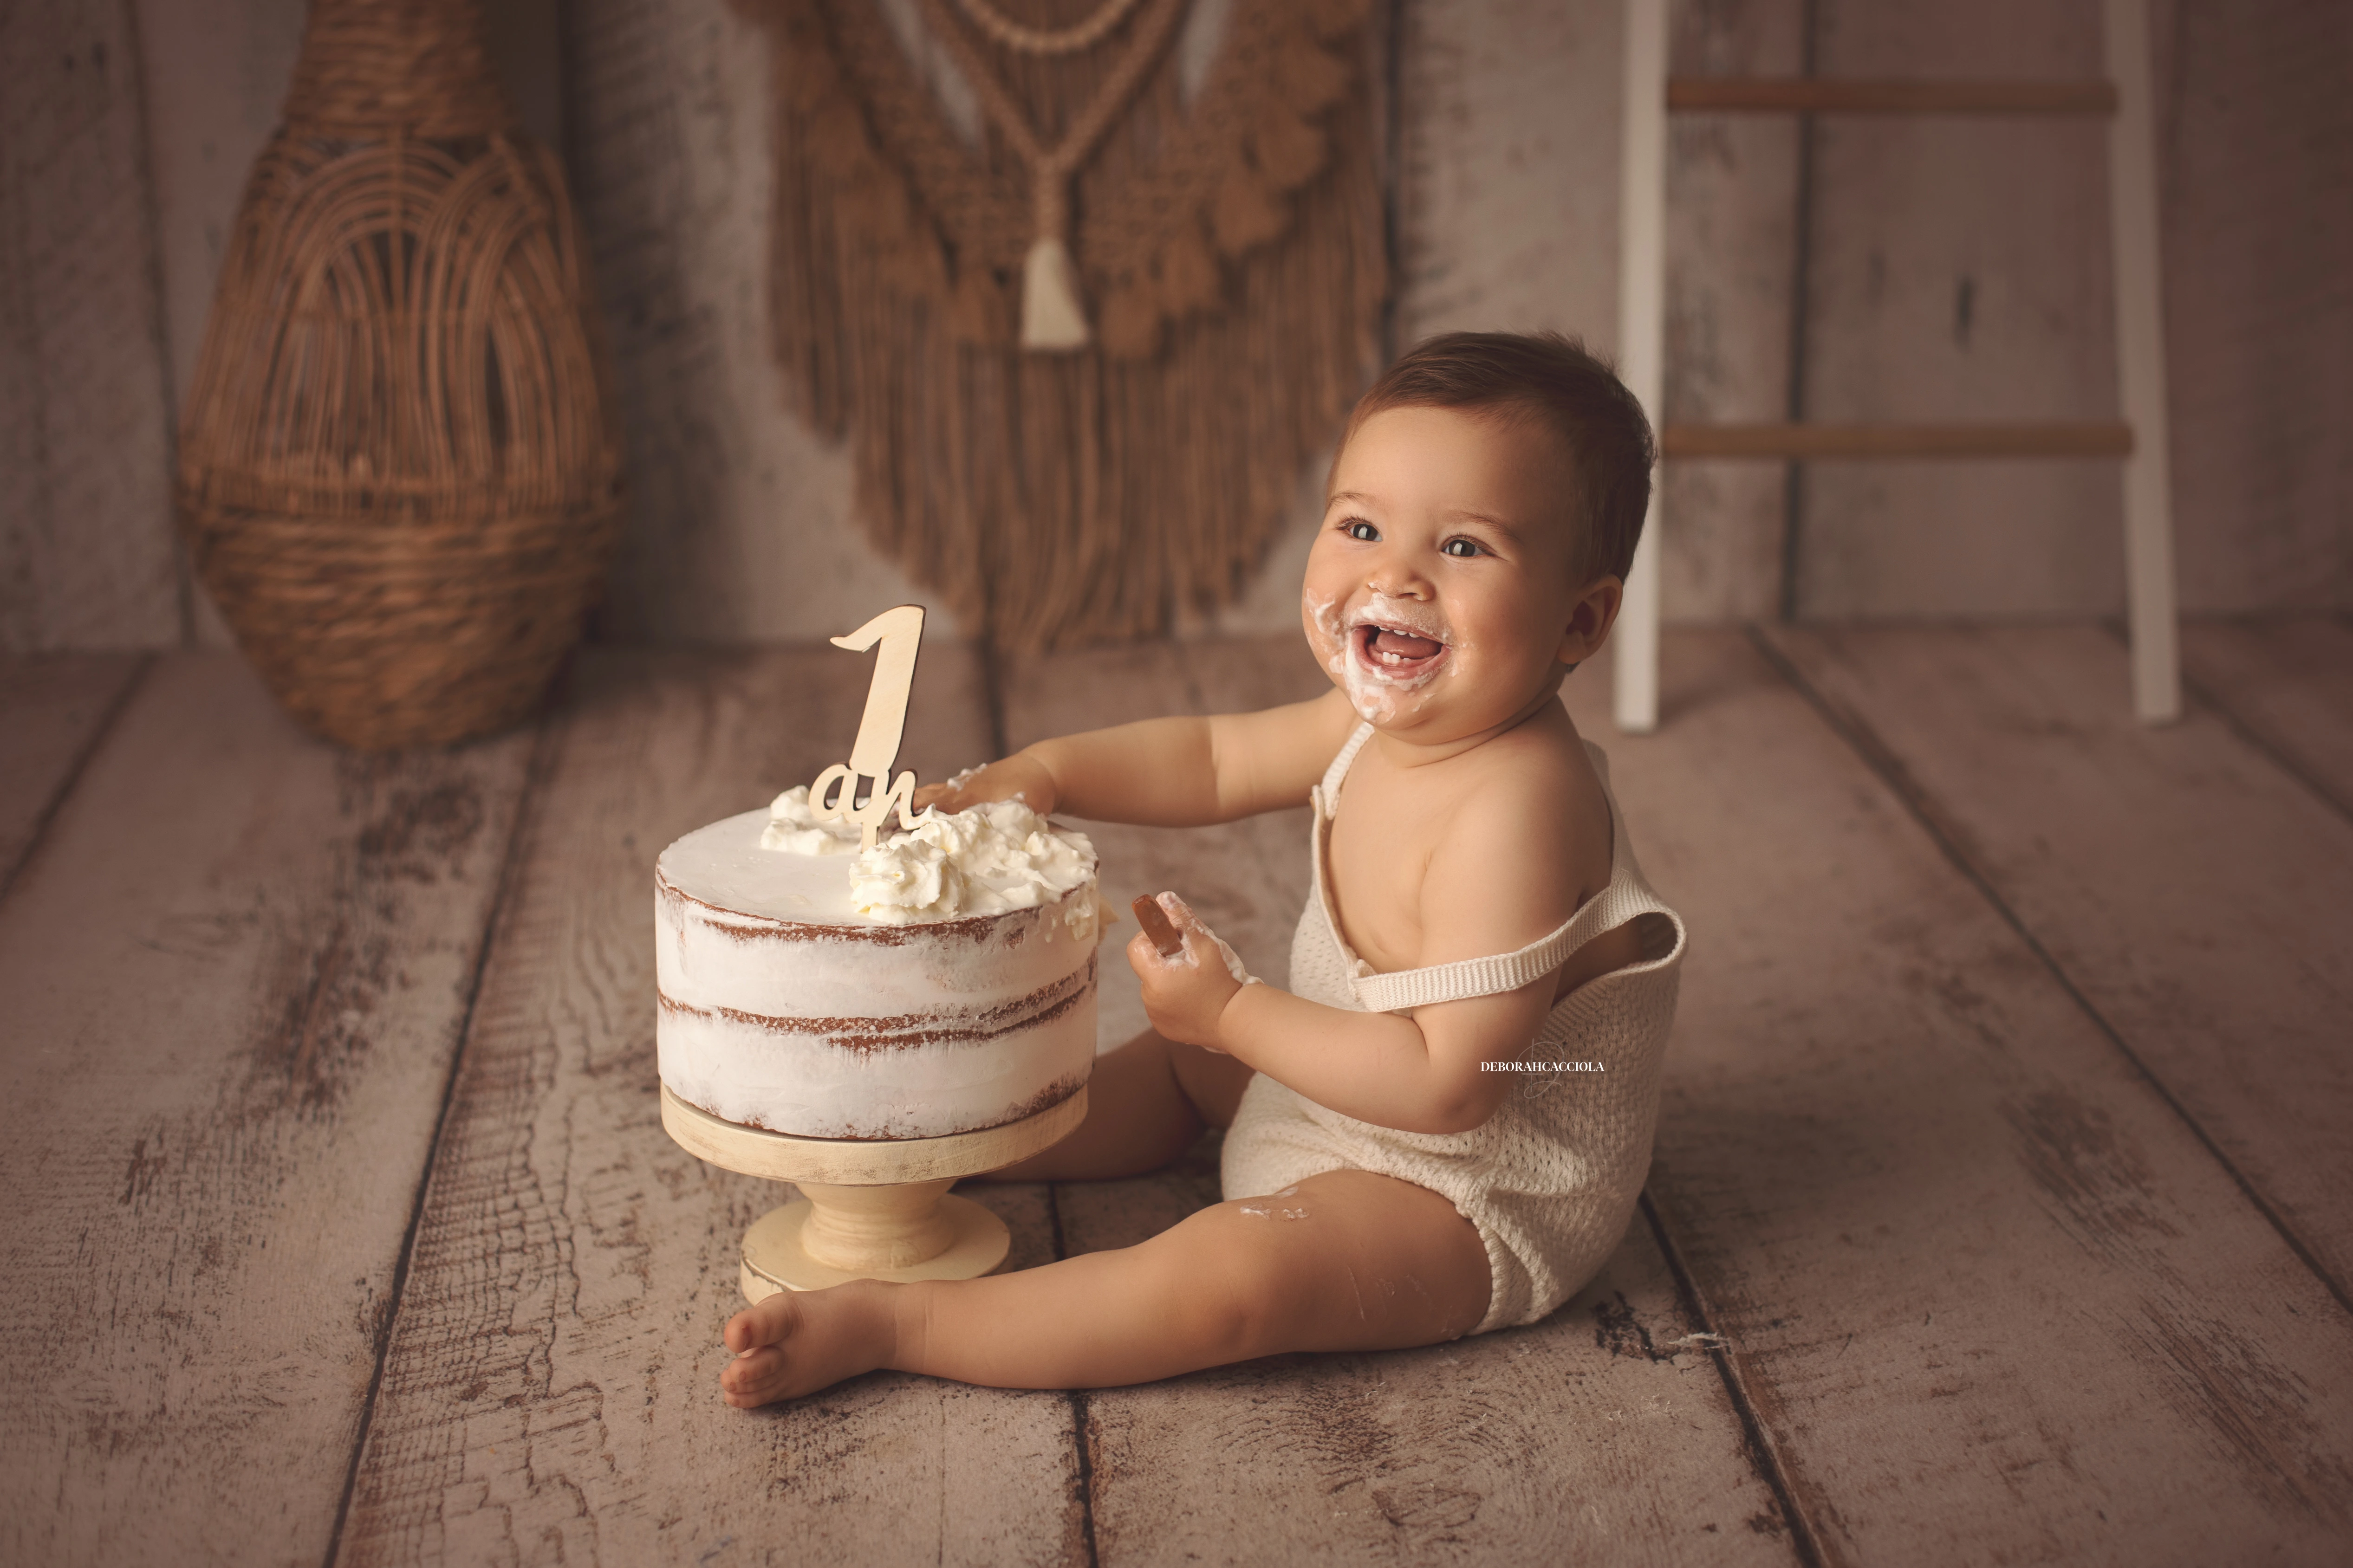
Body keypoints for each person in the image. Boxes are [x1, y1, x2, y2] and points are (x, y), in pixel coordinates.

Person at [720, 330, 1686, 1407]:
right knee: (1159, 1068)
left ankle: (896, 1320)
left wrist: (1231, 1015)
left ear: (1580, 619)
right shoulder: (1374, 724)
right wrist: (1044, 770)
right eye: (1360, 526)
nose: (1394, 575)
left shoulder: (1518, 808)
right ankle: (952, 1149)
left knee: (1231, 1278)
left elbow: (1448, 1088)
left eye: (1463, 548)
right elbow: (1214, 757)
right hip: (1330, 1090)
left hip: (1460, 1186)